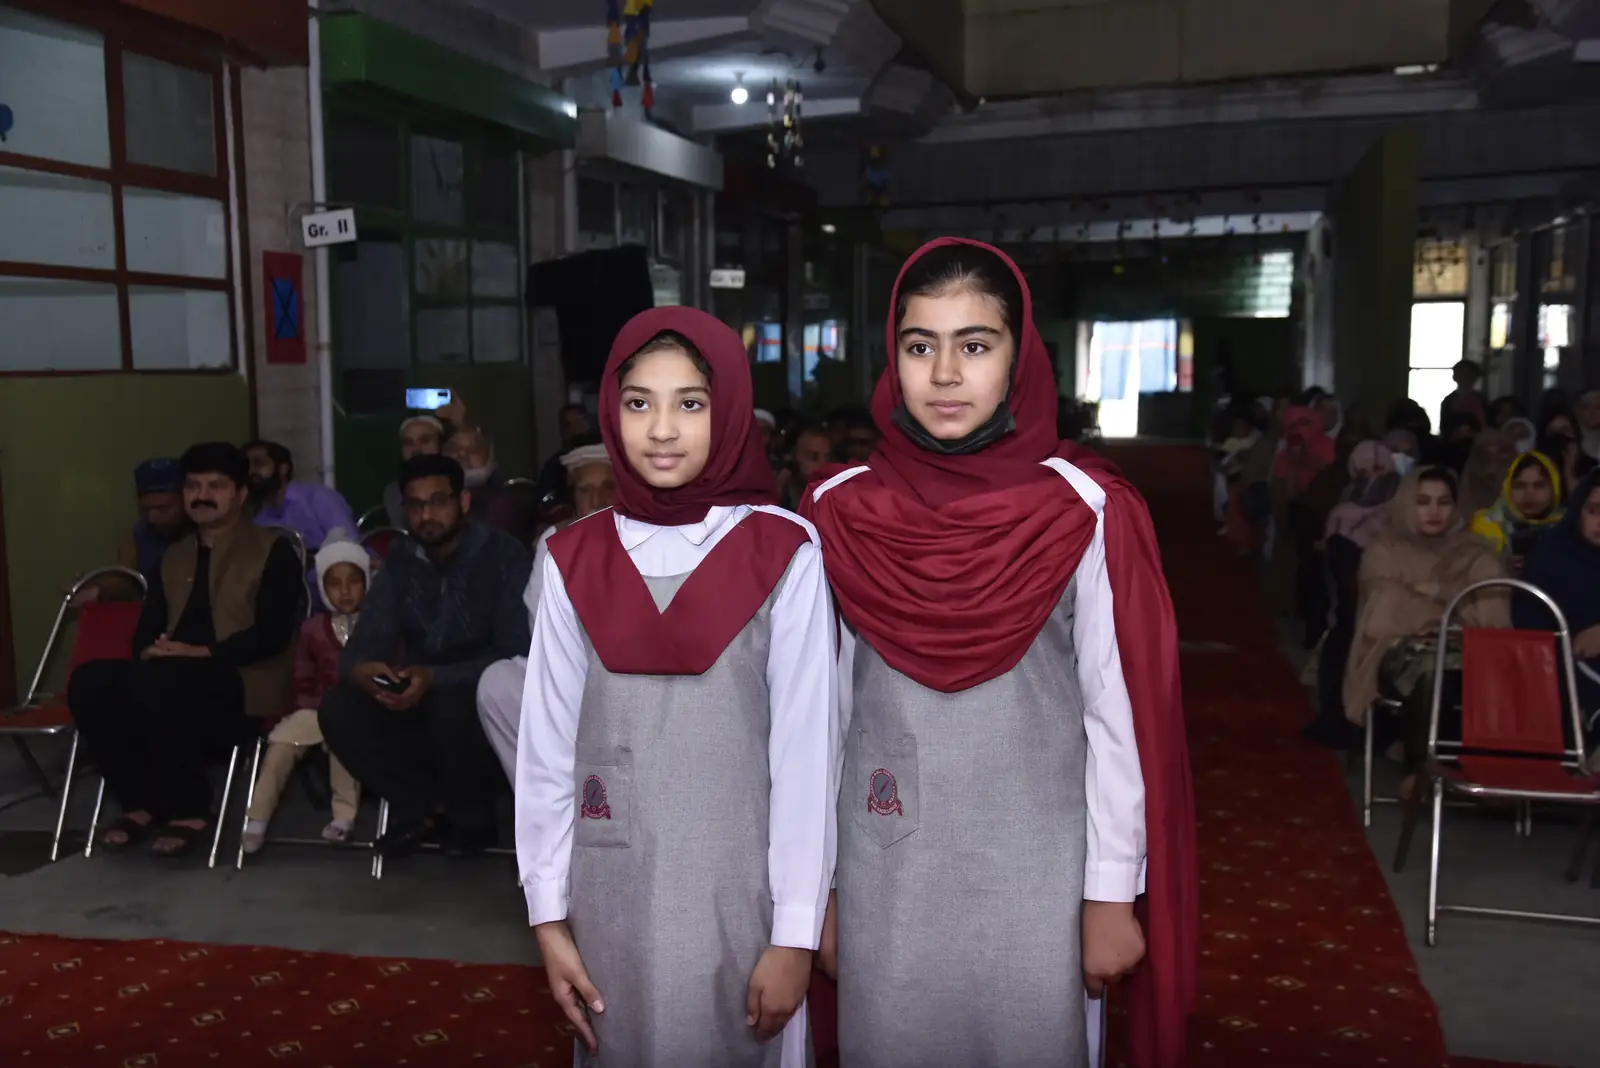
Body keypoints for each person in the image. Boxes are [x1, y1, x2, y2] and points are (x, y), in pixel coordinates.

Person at [800, 239, 1196, 1068]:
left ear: (1019, 360)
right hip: (884, 860)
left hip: (1039, 863)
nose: (945, 374)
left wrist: (1110, 892)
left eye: (975, 345)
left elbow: (1117, 714)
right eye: (920, 346)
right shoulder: (837, 510)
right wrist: (816, 892)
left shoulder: (1085, 509)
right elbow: (818, 723)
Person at [516, 308, 835, 1068]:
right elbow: (547, 753)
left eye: (690, 403)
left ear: (729, 412)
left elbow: (806, 758)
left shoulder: (782, 550)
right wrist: (548, 917)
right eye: (639, 403)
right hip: (609, 889)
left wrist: (795, 933)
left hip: (740, 893)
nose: (662, 429)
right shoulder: (570, 557)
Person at [66, 442, 302, 858]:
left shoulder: (272, 550)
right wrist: (154, 650)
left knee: (164, 681)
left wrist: (202, 653)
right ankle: (139, 803)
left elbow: (273, 634)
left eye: (215, 486)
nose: (202, 495)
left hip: (243, 682)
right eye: (193, 486)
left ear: (240, 494)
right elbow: (146, 631)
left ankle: (190, 809)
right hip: (170, 677)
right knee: (91, 681)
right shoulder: (174, 556)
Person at [318, 454, 532, 860]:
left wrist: (435, 678)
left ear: (463, 502)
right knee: (338, 709)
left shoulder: (504, 555)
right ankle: (425, 809)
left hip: (482, 703)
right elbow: (365, 644)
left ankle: (472, 818)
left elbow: (515, 653)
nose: (426, 515)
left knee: (448, 704)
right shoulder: (401, 561)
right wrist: (363, 670)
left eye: (437, 502)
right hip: (416, 694)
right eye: (415, 505)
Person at [1343, 467, 1507, 787]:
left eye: (1444, 502)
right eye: (1422, 502)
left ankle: (1490, 775)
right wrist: (1454, 605)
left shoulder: (1476, 552)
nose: (1434, 512)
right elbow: (1385, 609)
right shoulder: (1385, 549)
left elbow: (1493, 612)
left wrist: (1430, 593)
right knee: (1430, 668)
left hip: (1471, 656)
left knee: (1477, 664)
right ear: (1407, 504)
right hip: (1392, 656)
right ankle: (1419, 773)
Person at [475, 441, 615, 780]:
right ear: (573, 497)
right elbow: (540, 629)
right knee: (496, 682)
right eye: (585, 490)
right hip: (569, 676)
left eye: (608, 489)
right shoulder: (556, 540)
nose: (596, 501)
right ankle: (547, 800)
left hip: (630, 681)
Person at [241, 532, 370, 853]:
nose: (345, 591)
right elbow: (302, 678)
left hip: (360, 711)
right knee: (281, 746)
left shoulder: (377, 626)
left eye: (354, 582)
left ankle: (343, 817)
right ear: (322, 588)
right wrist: (311, 706)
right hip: (317, 709)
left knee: (344, 737)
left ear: (367, 583)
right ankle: (257, 819)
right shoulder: (312, 630)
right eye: (334, 584)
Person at [1516, 469, 1600, 744]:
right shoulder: (1550, 560)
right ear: (1577, 511)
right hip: (1565, 674)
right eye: (1594, 510)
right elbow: (1533, 633)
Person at [81, 458, 189, 603]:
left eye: (162, 509)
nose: (152, 518)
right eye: (145, 509)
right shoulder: (139, 535)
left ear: (186, 500)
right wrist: (96, 590)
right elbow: (124, 580)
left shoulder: (204, 535)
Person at [244, 440, 359, 554]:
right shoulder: (260, 519)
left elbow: (350, 545)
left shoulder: (318, 498)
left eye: (258, 464)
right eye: (247, 467)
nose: (251, 471)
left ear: (283, 468)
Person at [444, 425, 538, 546]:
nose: (462, 454)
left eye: (473, 450)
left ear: (491, 459)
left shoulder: (512, 503)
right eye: (453, 449)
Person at [1470, 451, 1564, 568]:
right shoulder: (1486, 525)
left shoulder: (1569, 526)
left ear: (1554, 490)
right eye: (1520, 486)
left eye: (1539, 485)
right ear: (1508, 489)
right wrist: (1499, 564)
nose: (1529, 494)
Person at [382, 415, 447, 529]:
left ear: (441, 445)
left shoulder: (460, 484)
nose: (417, 450)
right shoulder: (393, 492)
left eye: (425, 441)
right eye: (408, 443)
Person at [533, 403, 594, 510]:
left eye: (580, 421)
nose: (576, 428)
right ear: (562, 429)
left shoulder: (606, 459)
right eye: (568, 424)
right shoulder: (553, 466)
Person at [1439, 359, 1488, 434]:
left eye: (1468, 374)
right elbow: (1445, 427)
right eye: (1461, 373)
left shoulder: (1482, 399)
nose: (1464, 377)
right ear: (1455, 377)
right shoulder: (1449, 400)